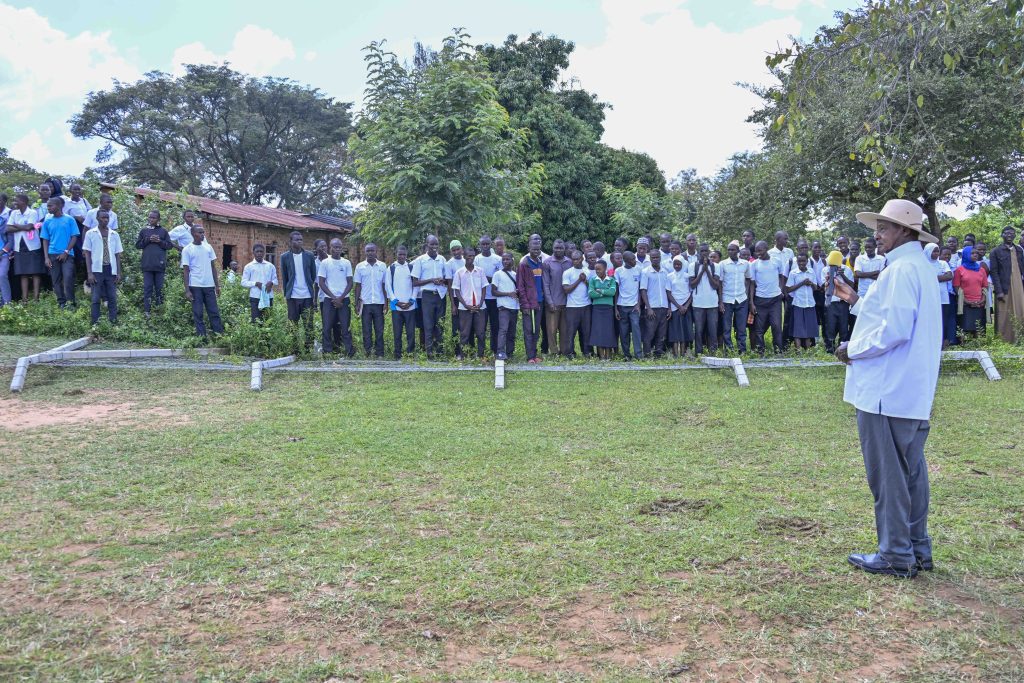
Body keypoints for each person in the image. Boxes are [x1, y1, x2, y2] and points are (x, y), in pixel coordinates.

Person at [833, 199, 941, 579]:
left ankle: (895, 554)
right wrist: (857, 302)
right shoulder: (919, 268)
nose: (876, 236)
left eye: (884, 228)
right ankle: (917, 548)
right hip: (910, 390)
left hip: (886, 391)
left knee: (889, 476)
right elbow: (892, 317)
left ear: (905, 232)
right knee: (912, 472)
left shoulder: (900, 271)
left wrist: (852, 349)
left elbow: (894, 331)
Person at [180, 225, 223, 338]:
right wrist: (187, 290)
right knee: (198, 313)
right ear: (193, 234)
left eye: (203, 232)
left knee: (214, 312)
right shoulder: (187, 249)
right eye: (200, 232)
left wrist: (217, 286)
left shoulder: (208, 247)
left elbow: (213, 267)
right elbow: (186, 270)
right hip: (195, 286)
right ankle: (202, 338)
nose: (203, 235)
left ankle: (219, 336)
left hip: (209, 286)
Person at [81, 209, 123, 325]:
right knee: (95, 298)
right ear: (97, 219)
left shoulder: (114, 234)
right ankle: (95, 323)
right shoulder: (90, 233)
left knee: (112, 297)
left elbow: (117, 254)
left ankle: (113, 322)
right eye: (103, 218)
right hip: (97, 270)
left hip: (110, 269)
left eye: (107, 218)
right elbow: (87, 254)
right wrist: (89, 273)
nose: (105, 220)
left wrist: (118, 272)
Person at [412, 235, 448, 359]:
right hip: (427, 296)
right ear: (427, 245)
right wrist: (431, 280)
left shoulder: (442, 259)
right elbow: (415, 282)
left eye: (436, 244)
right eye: (431, 244)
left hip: (440, 295)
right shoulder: (420, 260)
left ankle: (440, 351)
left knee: (440, 324)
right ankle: (429, 352)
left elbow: (447, 279)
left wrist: (441, 281)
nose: (434, 247)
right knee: (428, 324)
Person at [317, 238, 354, 356]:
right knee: (327, 327)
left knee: (345, 327)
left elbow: (350, 283)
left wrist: (341, 298)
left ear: (341, 248)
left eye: (339, 247)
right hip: (329, 300)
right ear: (330, 248)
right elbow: (321, 283)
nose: (337, 249)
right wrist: (334, 297)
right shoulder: (325, 263)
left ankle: (349, 352)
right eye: (335, 247)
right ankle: (327, 352)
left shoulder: (346, 263)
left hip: (344, 300)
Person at [40, 197, 80, 309]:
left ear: (58, 206)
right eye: (47, 206)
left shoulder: (69, 219)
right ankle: (61, 303)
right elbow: (45, 240)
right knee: (55, 280)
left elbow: (74, 237)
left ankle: (71, 303)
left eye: (50, 205)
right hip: (52, 254)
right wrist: (46, 257)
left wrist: (66, 252)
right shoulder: (47, 221)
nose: (48, 208)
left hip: (67, 255)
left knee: (68, 278)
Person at [280, 231, 317, 347]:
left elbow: (313, 274)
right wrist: (287, 294)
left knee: (308, 324)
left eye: (301, 240)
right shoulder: (285, 257)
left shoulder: (309, 256)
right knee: (292, 323)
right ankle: (294, 348)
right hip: (293, 296)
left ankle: (308, 349)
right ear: (290, 242)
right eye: (296, 240)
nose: (299, 242)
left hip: (307, 295)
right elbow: (285, 277)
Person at [747, 241, 785, 354]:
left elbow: (781, 276)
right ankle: (760, 352)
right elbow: (752, 284)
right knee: (759, 329)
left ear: (766, 248)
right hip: (760, 300)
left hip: (775, 299)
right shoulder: (754, 264)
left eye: (760, 250)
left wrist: (781, 290)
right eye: (756, 251)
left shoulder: (776, 261)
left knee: (776, 326)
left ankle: (778, 351)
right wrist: (752, 302)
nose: (758, 253)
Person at [988, 226, 1024, 343]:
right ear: (1002, 235)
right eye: (1007, 233)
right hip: (1004, 286)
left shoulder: (1019, 250)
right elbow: (994, 272)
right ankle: (1004, 340)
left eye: (1012, 233)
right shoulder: (995, 251)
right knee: (1004, 314)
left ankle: (1020, 339)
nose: (1010, 235)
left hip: (1019, 285)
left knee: (1020, 310)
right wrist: (998, 291)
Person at [452, 245, 488, 360]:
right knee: (465, 333)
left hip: (480, 307)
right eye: (468, 256)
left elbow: (484, 288)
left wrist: (481, 303)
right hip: (465, 308)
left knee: (481, 333)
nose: (470, 258)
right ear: (464, 257)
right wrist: (465, 305)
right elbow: (456, 291)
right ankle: (463, 356)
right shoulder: (459, 272)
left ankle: (481, 355)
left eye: (472, 256)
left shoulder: (480, 271)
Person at [135, 210, 173, 318]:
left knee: (159, 289)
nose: (151, 219)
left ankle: (158, 312)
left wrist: (159, 241)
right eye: (150, 217)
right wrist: (148, 239)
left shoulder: (163, 231)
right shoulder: (144, 231)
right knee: (147, 288)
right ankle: (147, 312)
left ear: (158, 220)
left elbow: (169, 246)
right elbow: (138, 245)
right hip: (147, 265)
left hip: (159, 266)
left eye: (154, 218)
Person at [6, 194, 43, 301]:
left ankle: (36, 298)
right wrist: (23, 227)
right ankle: (24, 299)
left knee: (36, 272)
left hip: (33, 246)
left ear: (23, 202)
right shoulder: (14, 212)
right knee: (23, 273)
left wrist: (16, 225)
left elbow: (29, 227)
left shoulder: (32, 212)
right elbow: (8, 228)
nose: (14, 202)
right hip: (19, 247)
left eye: (16, 200)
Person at [354, 243, 388, 358]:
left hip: (379, 303)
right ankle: (368, 353)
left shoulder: (383, 266)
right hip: (365, 304)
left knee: (379, 330)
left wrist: (386, 303)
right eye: (368, 251)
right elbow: (358, 286)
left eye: (372, 250)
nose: (370, 253)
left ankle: (380, 353)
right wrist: (356, 303)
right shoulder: (360, 267)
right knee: (366, 330)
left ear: (376, 251)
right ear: (365, 252)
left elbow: (385, 286)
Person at [515, 236, 544, 364]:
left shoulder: (540, 263)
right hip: (529, 303)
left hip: (540, 302)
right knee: (528, 330)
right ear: (529, 248)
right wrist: (524, 304)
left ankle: (535, 353)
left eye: (538, 249)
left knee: (536, 330)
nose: (536, 251)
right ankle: (530, 356)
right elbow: (520, 286)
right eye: (534, 249)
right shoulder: (524, 264)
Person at [689, 244, 721, 354]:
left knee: (713, 330)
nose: (704, 253)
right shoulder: (693, 266)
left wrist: (707, 270)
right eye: (702, 251)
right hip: (698, 304)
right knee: (698, 330)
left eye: (706, 251)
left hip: (712, 303)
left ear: (708, 252)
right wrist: (702, 271)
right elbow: (692, 285)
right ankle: (698, 352)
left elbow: (715, 285)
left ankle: (713, 352)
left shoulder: (716, 266)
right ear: (698, 252)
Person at [386, 245, 417, 361]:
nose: (402, 256)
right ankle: (397, 354)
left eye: (404, 254)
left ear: (406, 255)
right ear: (396, 254)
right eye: (400, 254)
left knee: (411, 332)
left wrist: (411, 300)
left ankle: (410, 353)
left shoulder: (411, 268)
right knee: (397, 332)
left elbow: (416, 285)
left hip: (410, 306)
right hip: (396, 307)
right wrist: (396, 301)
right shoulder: (391, 268)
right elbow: (388, 286)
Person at [718, 242, 750, 352]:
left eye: (733, 250)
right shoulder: (723, 264)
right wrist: (720, 301)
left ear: (738, 251)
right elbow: (720, 283)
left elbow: (748, 279)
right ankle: (729, 350)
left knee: (741, 327)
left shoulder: (745, 264)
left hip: (741, 299)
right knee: (726, 327)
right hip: (727, 299)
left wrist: (746, 294)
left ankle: (742, 350)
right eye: (729, 250)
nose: (730, 252)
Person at [953, 245, 989, 339]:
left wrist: (982, 300)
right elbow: (956, 287)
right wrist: (966, 301)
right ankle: (963, 345)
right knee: (964, 325)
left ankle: (978, 345)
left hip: (979, 303)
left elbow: (985, 286)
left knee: (978, 326)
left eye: (976, 253)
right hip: (964, 303)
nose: (975, 255)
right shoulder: (959, 270)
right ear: (966, 255)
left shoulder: (981, 270)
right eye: (972, 253)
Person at [823, 251, 855, 354]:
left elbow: (852, 285)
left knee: (843, 327)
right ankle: (830, 349)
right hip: (831, 302)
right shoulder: (825, 270)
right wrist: (830, 276)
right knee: (830, 327)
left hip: (843, 302)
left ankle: (842, 349)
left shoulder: (847, 269)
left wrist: (843, 275)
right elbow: (822, 285)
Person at [784, 253, 819, 349]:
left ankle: (807, 350)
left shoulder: (811, 272)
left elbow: (816, 288)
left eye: (804, 261)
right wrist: (802, 283)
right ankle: (798, 350)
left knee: (808, 328)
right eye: (799, 261)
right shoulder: (793, 273)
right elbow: (788, 289)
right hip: (798, 303)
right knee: (797, 328)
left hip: (810, 303)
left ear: (807, 261)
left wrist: (811, 283)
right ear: (797, 262)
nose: (802, 263)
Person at [543, 240, 571, 356]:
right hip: (553, 302)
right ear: (552, 248)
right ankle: (554, 352)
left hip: (567, 303)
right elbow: (545, 284)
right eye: (556, 248)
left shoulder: (569, 262)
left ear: (564, 249)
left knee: (565, 330)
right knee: (552, 330)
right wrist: (550, 302)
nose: (558, 250)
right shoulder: (547, 262)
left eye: (560, 248)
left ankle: (564, 352)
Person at [475, 235, 503, 355]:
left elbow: (500, 277)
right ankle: (481, 352)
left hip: (495, 298)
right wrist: (489, 278)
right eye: (483, 244)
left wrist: (485, 278)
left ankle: (495, 350)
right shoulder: (477, 259)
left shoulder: (498, 259)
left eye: (487, 244)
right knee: (481, 327)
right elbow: (476, 278)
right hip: (482, 298)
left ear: (491, 245)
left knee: (495, 326)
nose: (485, 246)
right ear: (480, 245)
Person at [924, 243, 956, 349]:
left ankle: (943, 342)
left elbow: (949, 276)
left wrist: (930, 277)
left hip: (943, 297)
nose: (936, 253)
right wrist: (939, 277)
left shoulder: (942, 263)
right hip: (928, 297)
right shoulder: (923, 264)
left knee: (943, 320)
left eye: (937, 251)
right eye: (934, 251)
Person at [561, 250, 591, 358]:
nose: (575, 261)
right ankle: (570, 353)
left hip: (586, 305)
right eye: (573, 259)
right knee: (571, 332)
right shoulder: (568, 272)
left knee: (586, 331)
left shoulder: (588, 271)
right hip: (572, 307)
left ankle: (586, 352)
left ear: (582, 259)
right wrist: (579, 280)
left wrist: (586, 281)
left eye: (577, 259)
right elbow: (566, 290)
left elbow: (591, 288)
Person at [614, 251, 644, 360]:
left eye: (634, 258)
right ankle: (627, 355)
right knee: (624, 331)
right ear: (625, 260)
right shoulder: (618, 271)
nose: (634, 261)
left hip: (634, 306)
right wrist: (616, 308)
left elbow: (641, 289)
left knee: (636, 330)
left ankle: (639, 355)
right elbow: (616, 291)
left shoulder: (638, 270)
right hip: (622, 305)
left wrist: (638, 304)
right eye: (632, 259)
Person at [640, 250, 670, 357]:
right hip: (652, 307)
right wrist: (648, 308)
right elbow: (643, 290)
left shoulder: (665, 272)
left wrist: (669, 308)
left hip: (664, 306)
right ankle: (647, 354)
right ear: (650, 258)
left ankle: (658, 354)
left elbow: (668, 291)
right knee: (649, 333)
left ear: (660, 257)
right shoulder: (645, 272)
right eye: (653, 258)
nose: (655, 259)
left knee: (661, 333)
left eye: (657, 257)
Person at [586, 259, 617, 359]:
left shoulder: (611, 279)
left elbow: (612, 292)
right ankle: (601, 356)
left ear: (605, 269)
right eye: (596, 270)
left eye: (599, 269)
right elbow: (591, 293)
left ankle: (608, 355)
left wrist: (600, 291)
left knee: (608, 332)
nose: (597, 271)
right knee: (598, 331)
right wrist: (605, 292)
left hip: (608, 309)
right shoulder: (593, 279)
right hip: (597, 309)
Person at [492, 251, 520, 361]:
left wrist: (517, 292)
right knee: (503, 329)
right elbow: (494, 292)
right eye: (503, 259)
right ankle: (500, 352)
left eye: (507, 259)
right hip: (503, 307)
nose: (505, 261)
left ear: (512, 260)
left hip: (514, 306)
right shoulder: (497, 274)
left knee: (512, 332)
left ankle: (510, 352)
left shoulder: (516, 275)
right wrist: (508, 293)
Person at [241, 243, 278, 323]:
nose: (259, 253)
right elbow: (243, 282)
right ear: (253, 252)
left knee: (268, 321)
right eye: (257, 251)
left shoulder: (270, 266)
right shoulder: (249, 266)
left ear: (264, 252)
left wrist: (271, 283)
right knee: (256, 321)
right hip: (255, 297)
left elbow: (276, 280)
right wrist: (255, 283)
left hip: (268, 297)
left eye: (261, 251)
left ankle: (266, 336)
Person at [667, 254, 694, 357]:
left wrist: (685, 306)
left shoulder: (687, 276)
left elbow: (692, 293)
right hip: (675, 307)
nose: (677, 266)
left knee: (685, 330)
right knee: (675, 330)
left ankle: (683, 353)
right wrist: (678, 306)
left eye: (679, 264)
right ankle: (675, 354)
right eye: (675, 264)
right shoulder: (669, 276)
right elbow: (668, 293)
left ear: (683, 264)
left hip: (686, 307)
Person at [444, 240, 466, 356]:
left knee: (467, 325)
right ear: (451, 251)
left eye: (458, 249)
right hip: (456, 299)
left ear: (462, 249)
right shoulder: (449, 264)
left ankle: (467, 350)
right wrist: (453, 304)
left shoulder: (466, 261)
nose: (456, 252)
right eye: (454, 250)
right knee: (456, 326)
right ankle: (457, 352)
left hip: (467, 297)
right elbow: (449, 285)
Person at [809, 241, 827, 339]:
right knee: (814, 316)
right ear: (811, 248)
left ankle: (825, 339)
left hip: (823, 291)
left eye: (819, 247)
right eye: (815, 247)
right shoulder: (808, 261)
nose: (817, 250)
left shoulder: (824, 261)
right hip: (812, 292)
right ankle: (815, 339)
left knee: (824, 316)